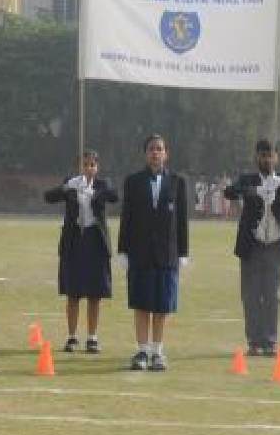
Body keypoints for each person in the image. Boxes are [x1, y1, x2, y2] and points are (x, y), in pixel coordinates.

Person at [224, 140, 280, 356]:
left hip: (275, 245)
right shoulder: (248, 179)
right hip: (252, 245)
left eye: (270, 155)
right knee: (251, 295)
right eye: (263, 155)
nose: (267, 159)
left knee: (273, 295)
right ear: (257, 158)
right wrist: (254, 191)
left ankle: (270, 341)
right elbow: (230, 192)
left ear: (277, 157)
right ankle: (254, 342)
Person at [118, 134, 188, 372]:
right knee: (141, 304)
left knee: (161, 305)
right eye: (151, 149)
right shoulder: (133, 181)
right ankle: (142, 350)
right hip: (140, 253)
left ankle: (157, 351)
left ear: (166, 153)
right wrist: (122, 250)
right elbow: (126, 217)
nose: (155, 153)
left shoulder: (178, 182)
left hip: (167, 253)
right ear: (145, 153)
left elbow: (182, 222)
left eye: (159, 149)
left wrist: (183, 253)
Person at [44, 150, 118, 354]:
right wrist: (67, 186)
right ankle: (72, 336)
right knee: (73, 293)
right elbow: (48, 197)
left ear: (97, 167)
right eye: (85, 165)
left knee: (95, 294)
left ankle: (92, 337)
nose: (88, 168)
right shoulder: (71, 184)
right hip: (74, 241)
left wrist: (95, 193)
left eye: (92, 165)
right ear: (79, 167)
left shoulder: (103, 185)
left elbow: (114, 196)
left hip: (95, 241)